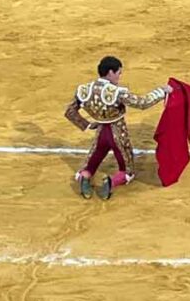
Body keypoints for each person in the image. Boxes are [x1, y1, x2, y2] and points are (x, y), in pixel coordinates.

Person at [65, 56, 172, 200]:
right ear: (110, 72)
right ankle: (111, 182)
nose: (119, 76)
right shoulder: (116, 92)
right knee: (127, 171)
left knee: (91, 164)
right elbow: (142, 103)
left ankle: (85, 177)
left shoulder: (85, 89)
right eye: (118, 73)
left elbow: (70, 112)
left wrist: (88, 124)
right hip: (118, 133)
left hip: (101, 133)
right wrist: (161, 91)